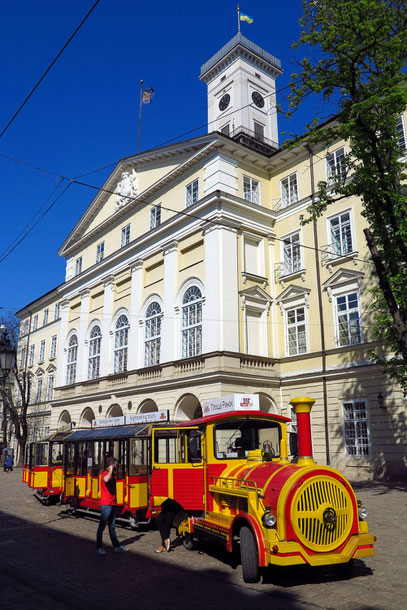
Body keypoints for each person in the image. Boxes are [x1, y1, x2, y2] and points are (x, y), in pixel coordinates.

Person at [96, 457, 129, 555]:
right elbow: (105, 480)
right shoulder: (106, 474)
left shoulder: (111, 474)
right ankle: (99, 547)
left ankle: (117, 546)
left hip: (111, 503)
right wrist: (110, 471)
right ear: (111, 465)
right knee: (102, 526)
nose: (116, 466)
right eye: (115, 464)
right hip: (106, 504)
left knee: (112, 526)